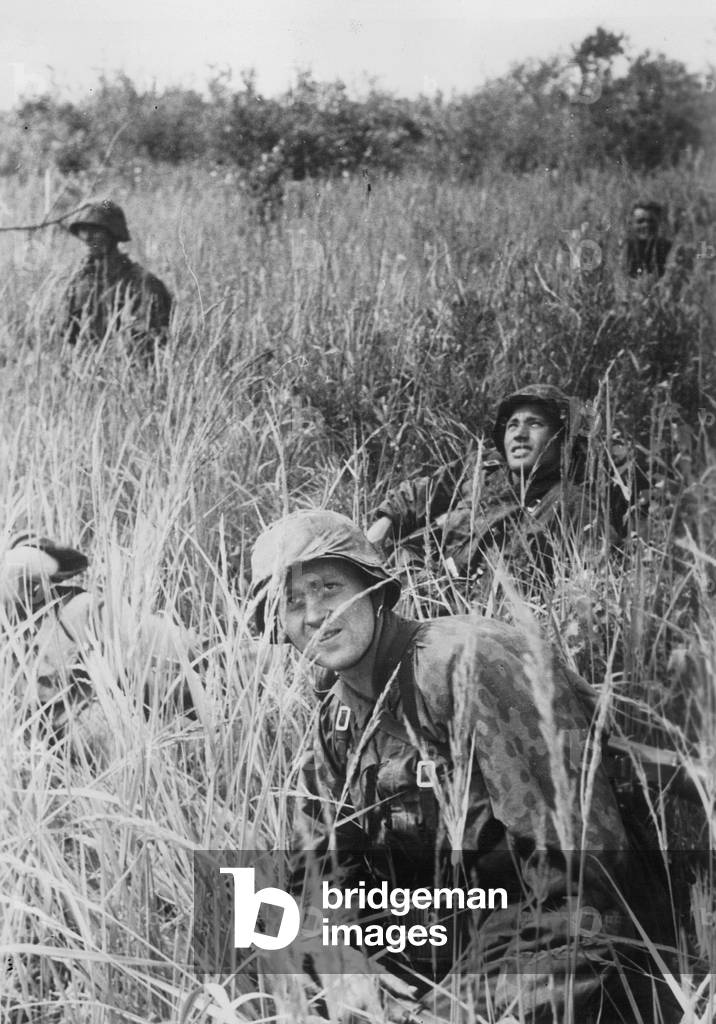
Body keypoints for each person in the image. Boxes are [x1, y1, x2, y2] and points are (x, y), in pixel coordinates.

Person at [249, 509, 670, 1023]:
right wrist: (340, 963)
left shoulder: (470, 663)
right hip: (442, 950)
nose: (314, 614)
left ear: (374, 588)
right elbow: (311, 878)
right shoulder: (337, 718)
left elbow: (583, 880)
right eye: (292, 602)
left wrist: (440, 1011)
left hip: (565, 946)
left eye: (329, 586)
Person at [367, 384, 621, 605]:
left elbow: (594, 584)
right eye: (512, 425)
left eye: (535, 423)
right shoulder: (483, 471)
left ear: (562, 439)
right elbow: (423, 492)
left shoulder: (572, 506)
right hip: (400, 585)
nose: (519, 434)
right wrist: (380, 528)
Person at [61, 199, 172, 358]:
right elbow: (66, 336)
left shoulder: (143, 283)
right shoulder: (78, 281)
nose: (87, 237)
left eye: (95, 230)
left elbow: (149, 342)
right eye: (83, 230)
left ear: (113, 234)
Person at [625, 201, 672, 279]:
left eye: (651, 221)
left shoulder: (668, 249)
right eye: (640, 221)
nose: (646, 225)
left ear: (658, 223)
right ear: (631, 224)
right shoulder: (623, 250)